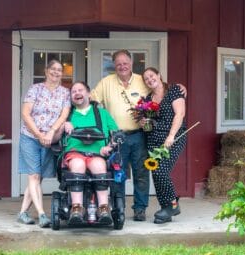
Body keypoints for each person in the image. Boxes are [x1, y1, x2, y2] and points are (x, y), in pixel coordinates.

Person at [91, 49, 187, 221]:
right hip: (117, 136)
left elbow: (159, 87)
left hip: (140, 135)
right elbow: (92, 101)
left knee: (142, 173)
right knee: (118, 173)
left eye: (125, 63)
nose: (122, 66)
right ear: (114, 65)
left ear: (131, 63)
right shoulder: (106, 83)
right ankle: (118, 207)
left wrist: (180, 87)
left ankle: (140, 209)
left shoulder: (142, 81)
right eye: (119, 63)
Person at [17, 59, 71, 228]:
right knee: (33, 175)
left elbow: (63, 115)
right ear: (46, 71)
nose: (56, 72)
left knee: (37, 178)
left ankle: (22, 213)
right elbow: (25, 114)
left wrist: (50, 132)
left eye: (59, 70)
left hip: (50, 140)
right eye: (53, 69)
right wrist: (39, 134)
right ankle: (42, 214)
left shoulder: (65, 92)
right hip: (30, 137)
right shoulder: (35, 89)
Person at [62, 81, 118, 225]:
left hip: (97, 153)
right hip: (75, 152)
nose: (77, 93)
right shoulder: (67, 114)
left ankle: (103, 208)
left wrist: (109, 147)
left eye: (80, 90)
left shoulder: (102, 113)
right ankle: (77, 208)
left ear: (88, 94)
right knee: (78, 164)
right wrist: (64, 125)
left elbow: (117, 135)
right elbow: (56, 135)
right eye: (73, 92)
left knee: (99, 166)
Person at [141, 67, 186, 224]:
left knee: (161, 171)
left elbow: (180, 114)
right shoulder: (147, 99)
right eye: (146, 79)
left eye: (152, 76)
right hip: (153, 139)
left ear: (159, 75)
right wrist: (144, 122)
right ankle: (166, 208)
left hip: (172, 138)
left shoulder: (173, 90)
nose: (150, 80)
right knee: (156, 173)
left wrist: (171, 136)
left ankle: (173, 205)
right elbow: (149, 121)